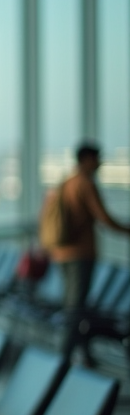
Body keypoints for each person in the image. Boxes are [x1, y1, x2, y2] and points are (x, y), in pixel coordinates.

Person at [47, 142, 130, 365]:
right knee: (76, 307)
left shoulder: (67, 183)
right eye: (97, 158)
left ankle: (82, 353)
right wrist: (126, 230)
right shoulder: (85, 184)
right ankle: (64, 357)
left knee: (75, 305)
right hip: (79, 254)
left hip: (61, 252)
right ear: (86, 159)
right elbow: (103, 217)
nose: (100, 162)